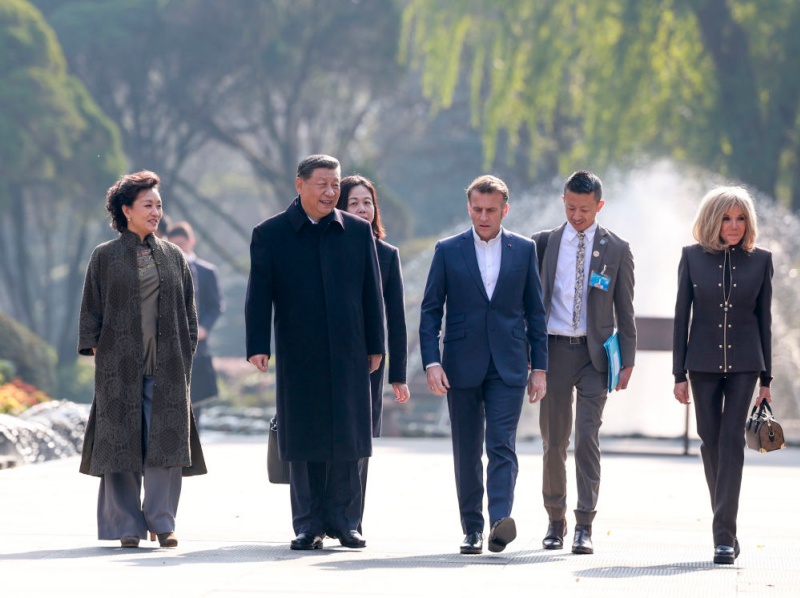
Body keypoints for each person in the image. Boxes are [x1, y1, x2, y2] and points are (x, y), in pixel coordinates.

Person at [245, 154, 385, 551]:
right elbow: (259, 295)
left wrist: (376, 344)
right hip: (298, 350)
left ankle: (346, 521)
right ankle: (307, 524)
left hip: (349, 349)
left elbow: (370, 294)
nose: (330, 192)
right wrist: (258, 345)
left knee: (348, 435)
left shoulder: (356, 232)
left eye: (335, 184)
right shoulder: (271, 233)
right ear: (299, 184)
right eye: (322, 183)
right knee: (303, 436)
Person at [419, 174, 548, 555]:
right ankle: (472, 529)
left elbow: (535, 314)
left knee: (501, 445)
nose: (483, 216)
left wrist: (538, 367)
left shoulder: (523, 250)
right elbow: (430, 312)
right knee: (466, 448)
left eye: (491, 210)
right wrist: (431, 362)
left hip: (508, 364)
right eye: (477, 209)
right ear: (469, 207)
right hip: (460, 364)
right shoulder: (447, 249)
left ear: (505, 210)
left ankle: (499, 522)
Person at [78, 170, 206, 549]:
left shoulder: (173, 256)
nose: (156, 212)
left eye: (159, 206)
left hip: (167, 368)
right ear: (126, 210)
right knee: (120, 444)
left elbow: (189, 311)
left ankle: (163, 522)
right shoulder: (105, 256)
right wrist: (96, 348)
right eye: (148, 205)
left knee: (166, 444)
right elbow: (91, 311)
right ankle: (127, 525)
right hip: (119, 369)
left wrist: (184, 355)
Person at [532, 170, 636, 555]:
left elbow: (626, 310)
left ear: (599, 206)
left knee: (587, 437)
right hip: (554, 351)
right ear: (564, 201)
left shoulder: (617, 249)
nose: (578, 216)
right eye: (572, 208)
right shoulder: (543, 243)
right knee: (554, 440)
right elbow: (531, 303)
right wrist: (532, 358)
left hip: (595, 357)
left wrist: (627, 361)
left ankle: (584, 524)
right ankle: (554, 520)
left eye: (586, 209)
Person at [672, 186, 773, 565]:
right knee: (709, 441)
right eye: (727, 218)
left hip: (746, 363)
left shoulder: (761, 260)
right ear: (713, 219)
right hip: (701, 365)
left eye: (741, 218)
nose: (734, 225)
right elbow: (682, 317)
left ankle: (723, 538)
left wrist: (767, 380)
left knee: (732, 440)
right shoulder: (691, 258)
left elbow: (765, 320)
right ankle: (726, 525)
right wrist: (678, 373)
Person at [336, 175, 410, 532]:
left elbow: (396, 319)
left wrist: (398, 375)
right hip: (330, 356)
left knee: (359, 441)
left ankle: (351, 520)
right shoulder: (329, 246)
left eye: (367, 202)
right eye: (354, 203)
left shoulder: (387, 254)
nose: (363, 209)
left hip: (369, 362)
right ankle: (323, 516)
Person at [168, 222, 224, 424]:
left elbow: (216, 305)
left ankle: (192, 450)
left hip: (197, 345)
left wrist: (204, 329)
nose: (178, 248)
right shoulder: (161, 270)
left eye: (181, 243)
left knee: (196, 399)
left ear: (191, 241)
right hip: (167, 344)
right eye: (173, 244)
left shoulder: (207, 271)